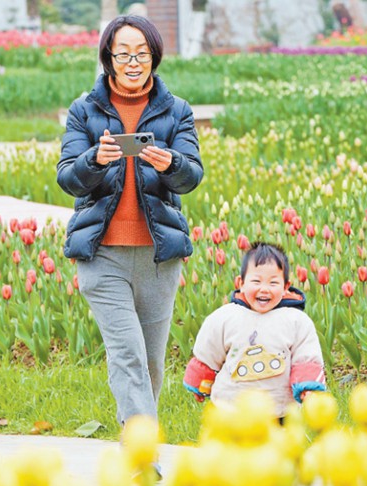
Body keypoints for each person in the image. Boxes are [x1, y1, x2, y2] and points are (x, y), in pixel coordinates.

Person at [56, 15, 203, 426]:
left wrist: (171, 163)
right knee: (128, 355)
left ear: (154, 56)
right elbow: (67, 177)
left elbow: (192, 175)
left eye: (141, 53)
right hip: (103, 256)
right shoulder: (84, 111)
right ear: (109, 58)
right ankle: (143, 453)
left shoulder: (177, 112)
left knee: (152, 364)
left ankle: (134, 440)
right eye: (123, 53)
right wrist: (94, 160)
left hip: (159, 258)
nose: (133, 62)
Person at [183, 243, 326, 418]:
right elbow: (208, 351)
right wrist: (200, 381)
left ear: (286, 286)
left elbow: (306, 356)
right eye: (256, 281)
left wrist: (308, 386)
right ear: (241, 283)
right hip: (231, 408)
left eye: (273, 282)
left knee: (277, 445)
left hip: (278, 409)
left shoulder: (296, 321)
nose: (264, 289)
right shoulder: (225, 317)